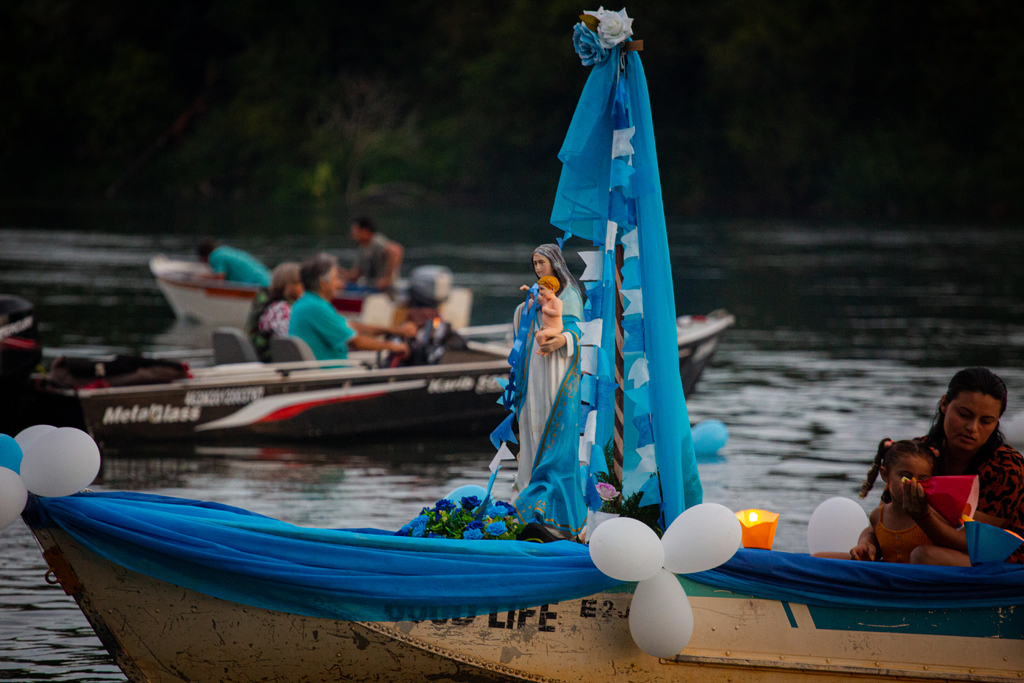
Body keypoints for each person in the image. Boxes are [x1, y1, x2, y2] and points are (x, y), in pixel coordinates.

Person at [907, 367, 1024, 565]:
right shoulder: (916, 454)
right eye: (964, 414)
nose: (972, 428)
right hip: (921, 549)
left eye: (986, 421)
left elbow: (975, 543)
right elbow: (885, 514)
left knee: (924, 556)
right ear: (944, 404)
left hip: (1001, 562)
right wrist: (868, 543)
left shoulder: (1008, 468)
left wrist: (923, 514)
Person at [508, 244, 587, 537]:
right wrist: (526, 310)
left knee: (556, 435)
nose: (538, 268)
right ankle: (525, 501)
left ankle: (554, 512)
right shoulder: (535, 294)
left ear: (554, 263)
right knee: (530, 431)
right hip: (534, 372)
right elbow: (522, 319)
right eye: (535, 263)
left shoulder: (570, 296)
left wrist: (564, 339)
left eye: (542, 262)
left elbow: (579, 332)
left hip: (558, 372)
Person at [816, 439, 940, 562]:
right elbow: (870, 532)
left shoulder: (935, 514)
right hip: (885, 577)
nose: (913, 484)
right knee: (817, 558)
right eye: (905, 476)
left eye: (922, 479)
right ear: (884, 475)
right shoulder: (878, 516)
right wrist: (865, 545)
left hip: (921, 578)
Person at [289, 253, 412, 362]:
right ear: (323, 283)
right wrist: (393, 346)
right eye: (336, 278)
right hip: (332, 377)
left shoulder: (305, 302)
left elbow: (350, 326)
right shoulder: (317, 308)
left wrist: (395, 330)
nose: (341, 284)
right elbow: (357, 343)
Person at [244, 263, 303, 363]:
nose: (304, 288)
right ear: (290, 286)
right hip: (271, 364)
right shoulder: (282, 309)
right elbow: (289, 343)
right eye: (301, 283)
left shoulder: (269, 304)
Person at [344, 217, 403, 293]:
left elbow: (397, 252)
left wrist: (387, 278)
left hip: (384, 290)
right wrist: (342, 275)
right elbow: (356, 274)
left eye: (355, 231)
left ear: (365, 231)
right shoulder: (362, 247)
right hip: (371, 287)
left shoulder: (376, 241)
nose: (353, 234)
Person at [197, 239, 271, 287]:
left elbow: (219, 279)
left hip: (258, 284)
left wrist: (204, 278)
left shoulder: (215, 256)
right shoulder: (224, 251)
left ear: (204, 257)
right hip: (268, 279)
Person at [521, 276, 563, 356]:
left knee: (542, 334)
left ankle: (544, 350)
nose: (540, 291)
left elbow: (557, 313)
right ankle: (542, 348)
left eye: (542, 289)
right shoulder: (545, 301)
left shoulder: (557, 301)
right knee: (538, 335)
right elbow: (536, 297)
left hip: (555, 328)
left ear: (552, 289)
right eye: (539, 289)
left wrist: (546, 310)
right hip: (546, 327)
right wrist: (528, 289)